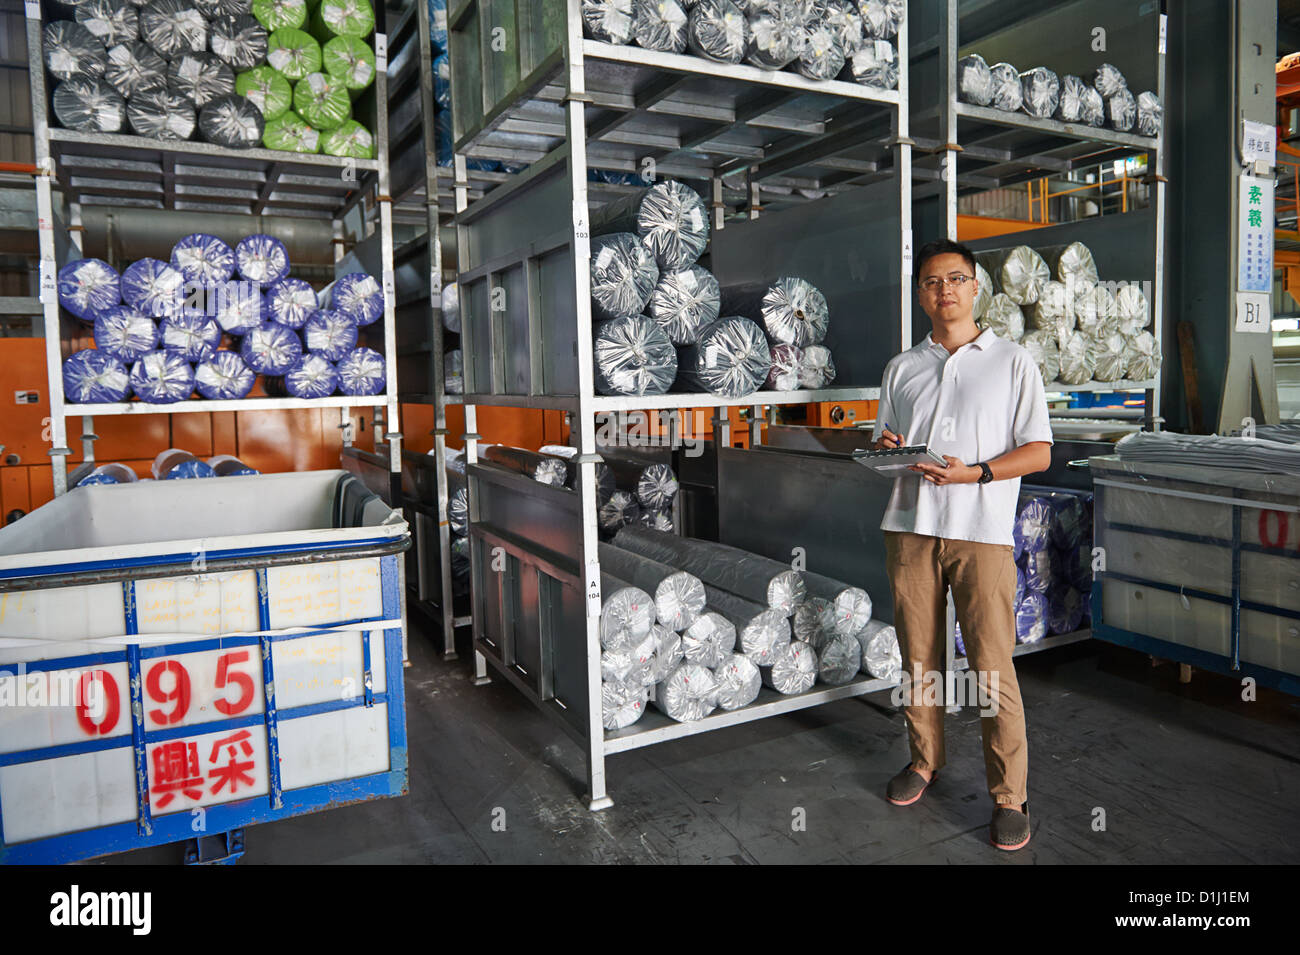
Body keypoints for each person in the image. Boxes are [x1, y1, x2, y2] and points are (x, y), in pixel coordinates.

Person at [871, 238, 1053, 851]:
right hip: (911, 527)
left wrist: (973, 472)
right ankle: (924, 761)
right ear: (920, 294)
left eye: (954, 279)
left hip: (980, 532)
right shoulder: (903, 367)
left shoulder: (1012, 362)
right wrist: (893, 452)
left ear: (976, 287)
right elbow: (887, 450)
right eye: (930, 282)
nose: (943, 291)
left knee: (991, 666)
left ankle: (1010, 795)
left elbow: (1039, 451)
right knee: (917, 659)